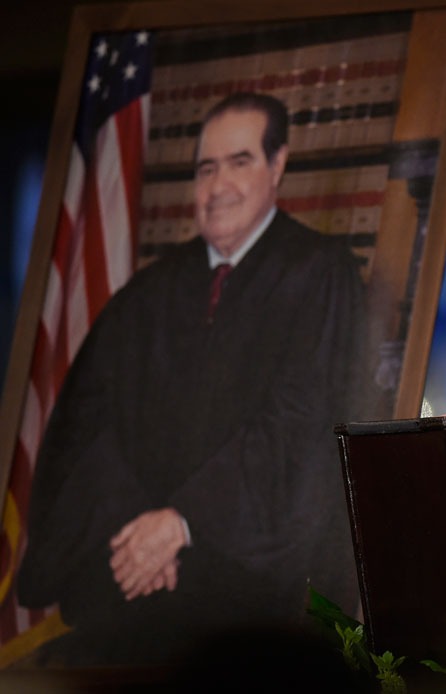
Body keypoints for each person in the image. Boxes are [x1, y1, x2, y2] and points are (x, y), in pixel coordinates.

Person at [17, 93, 365, 664]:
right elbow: (86, 432)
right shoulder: (149, 294)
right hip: (134, 582)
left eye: (240, 161)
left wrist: (182, 524)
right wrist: (140, 538)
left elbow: (301, 432)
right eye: (206, 168)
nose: (218, 184)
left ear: (277, 166)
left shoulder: (319, 274)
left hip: (254, 601)